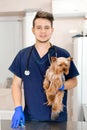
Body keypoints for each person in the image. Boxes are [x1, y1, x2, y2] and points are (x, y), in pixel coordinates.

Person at [9, 10, 79, 128]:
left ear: (52, 30)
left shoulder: (62, 54)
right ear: (33, 30)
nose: (43, 31)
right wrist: (17, 108)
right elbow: (16, 84)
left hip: (57, 119)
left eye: (47, 28)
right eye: (39, 27)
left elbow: (74, 81)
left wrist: (61, 86)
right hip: (31, 118)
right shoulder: (23, 55)